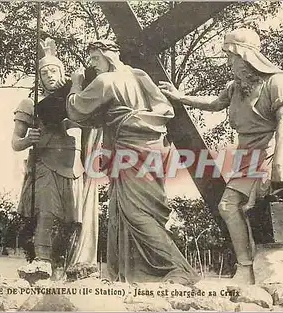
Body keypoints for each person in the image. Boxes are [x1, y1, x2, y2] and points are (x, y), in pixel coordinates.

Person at [158, 28, 283, 285]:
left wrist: (279, 161)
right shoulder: (235, 88)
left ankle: (261, 268)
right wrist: (180, 97)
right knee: (230, 207)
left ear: (245, 55)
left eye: (231, 56)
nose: (229, 62)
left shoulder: (278, 81)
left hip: (266, 156)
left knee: (249, 209)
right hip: (245, 158)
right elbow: (213, 103)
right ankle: (246, 267)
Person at [66, 40, 199, 285]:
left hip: (132, 149)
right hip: (148, 148)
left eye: (95, 58)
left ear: (108, 56)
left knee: (136, 212)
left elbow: (76, 110)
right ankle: (130, 273)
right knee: (123, 210)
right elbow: (164, 109)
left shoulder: (106, 81)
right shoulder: (139, 76)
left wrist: (75, 84)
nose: (92, 64)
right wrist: (133, 119)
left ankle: (179, 268)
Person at [12, 38, 84, 279]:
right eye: (44, 72)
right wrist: (28, 139)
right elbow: (15, 143)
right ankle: (41, 260)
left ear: (62, 73)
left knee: (71, 219)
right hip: (44, 162)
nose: (49, 75)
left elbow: (81, 120)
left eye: (54, 70)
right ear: (39, 78)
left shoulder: (71, 99)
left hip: (70, 164)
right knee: (46, 211)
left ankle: (61, 264)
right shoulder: (30, 104)